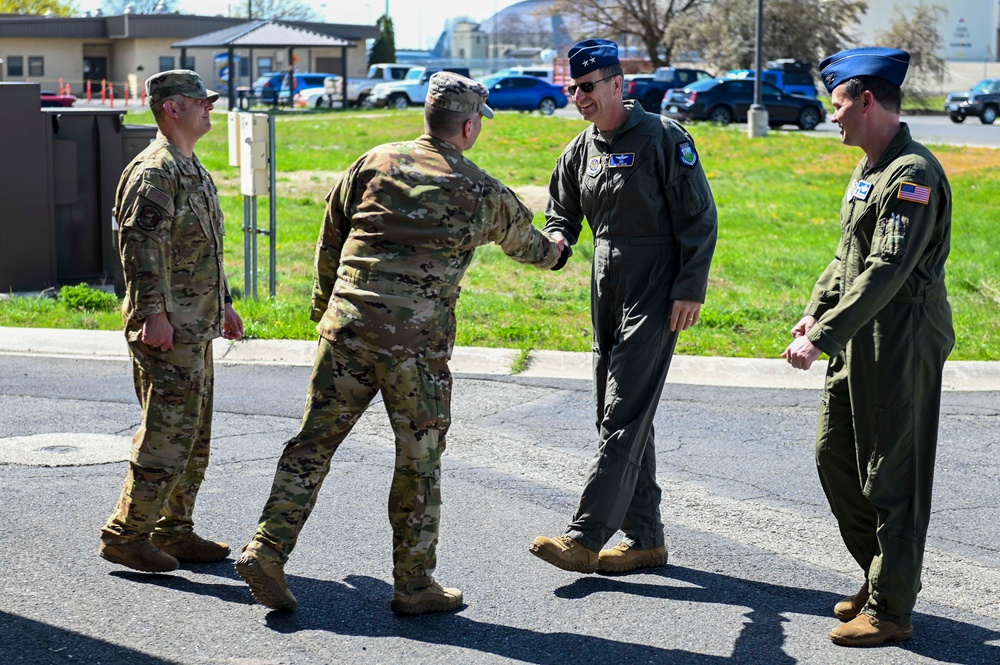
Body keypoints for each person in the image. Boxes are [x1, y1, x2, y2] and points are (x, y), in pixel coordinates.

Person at [235, 72, 565, 615]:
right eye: (479, 120)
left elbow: (332, 232)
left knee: (312, 445)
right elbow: (532, 248)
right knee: (419, 460)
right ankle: (415, 585)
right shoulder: (479, 190)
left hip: (347, 330)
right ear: (468, 124)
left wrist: (325, 306)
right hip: (416, 350)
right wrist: (558, 246)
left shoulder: (375, 162)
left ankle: (266, 549)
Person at [781, 47, 953, 647]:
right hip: (857, 334)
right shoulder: (870, 170)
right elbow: (845, 256)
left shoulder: (912, 174)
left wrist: (825, 335)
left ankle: (891, 609)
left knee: (892, 475)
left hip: (900, 338)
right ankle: (879, 577)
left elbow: (887, 269)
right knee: (836, 459)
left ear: (868, 100)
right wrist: (812, 313)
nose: (833, 116)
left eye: (838, 104)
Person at [529, 39, 718, 575]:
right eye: (573, 87)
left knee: (625, 409)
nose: (578, 97)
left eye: (587, 87)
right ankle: (646, 540)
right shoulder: (580, 148)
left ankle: (585, 536)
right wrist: (558, 241)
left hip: (655, 283)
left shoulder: (663, 138)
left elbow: (699, 219)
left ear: (618, 84)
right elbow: (561, 210)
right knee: (613, 410)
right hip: (605, 282)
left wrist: (690, 287)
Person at [99, 70, 244, 573]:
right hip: (167, 327)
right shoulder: (154, 171)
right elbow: (139, 249)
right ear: (172, 108)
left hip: (196, 323)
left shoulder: (190, 166)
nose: (209, 108)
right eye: (200, 101)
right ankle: (127, 533)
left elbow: (204, 247)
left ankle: (173, 529)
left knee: (194, 435)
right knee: (166, 433)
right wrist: (151, 315)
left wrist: (223, 302)